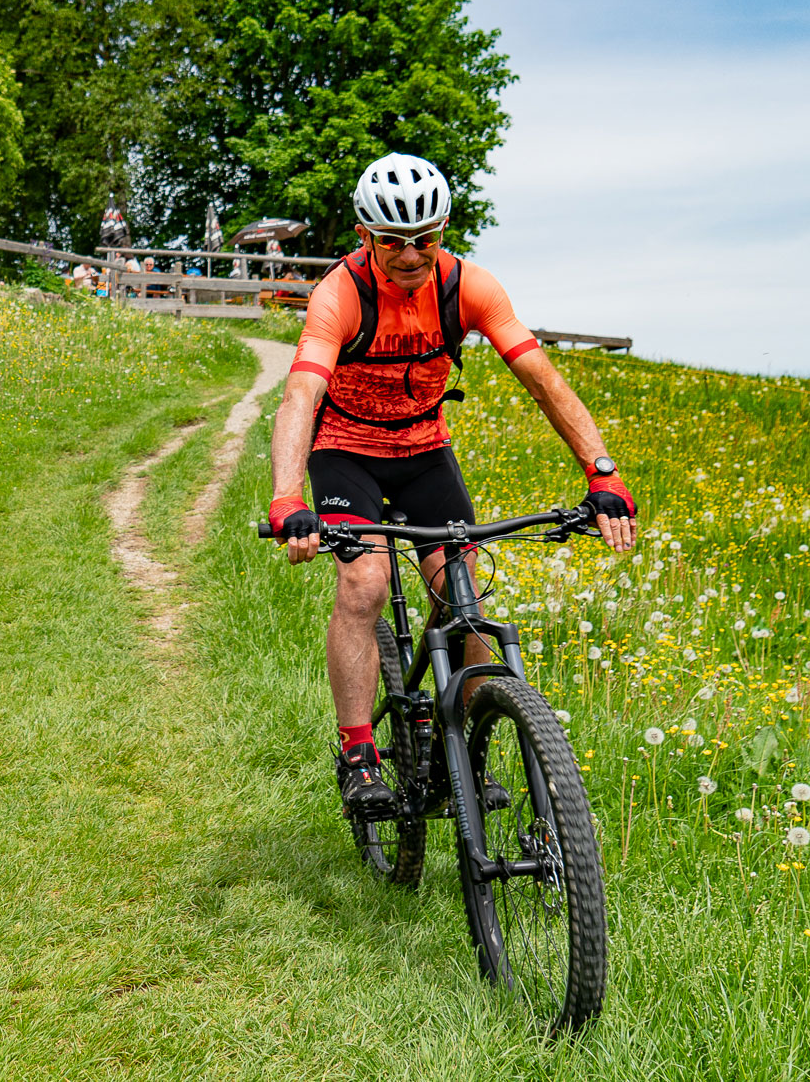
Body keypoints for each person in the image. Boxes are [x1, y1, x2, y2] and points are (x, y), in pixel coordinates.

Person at [265, 153, 638, 815]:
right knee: (366, 583)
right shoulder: (340, 295)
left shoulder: (471, 287)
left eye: (425, 239)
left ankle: (457, 751)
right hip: (346, 450)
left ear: (443, 230)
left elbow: (542, 377)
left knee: (463, 594)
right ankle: (358, 754)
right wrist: (289, 496)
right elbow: (301, 394)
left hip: (424, 452)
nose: (411, 255)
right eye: (393, 242)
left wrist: (600, 471)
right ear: (364, 235)